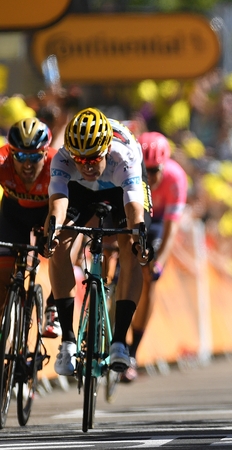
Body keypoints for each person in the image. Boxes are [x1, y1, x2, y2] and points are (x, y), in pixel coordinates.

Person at [45, 108, 152, 376]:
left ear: (106, 149)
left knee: (132, 246)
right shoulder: (62, 159)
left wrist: (138, 237)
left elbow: (134, 210)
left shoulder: (124, 156)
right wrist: (53, 232)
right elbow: (57, 206)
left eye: (93, 158)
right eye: (80, 159)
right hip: (80, 190)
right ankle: (68, 341)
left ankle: (120, 342)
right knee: (60, 243)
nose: (87, 166)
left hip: (120, 188)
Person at [121, 131, 188, 383]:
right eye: (144, 170)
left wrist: (159, 263)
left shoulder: (175, 178)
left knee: (149, 276)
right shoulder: (128, 171)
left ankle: (132, 352)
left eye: (154, 170)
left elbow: (171, 230)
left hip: (158, 223)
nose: (149, 176)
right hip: (136, 215)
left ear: (164, 165)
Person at [0, 118, 57, 313]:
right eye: (20, 156)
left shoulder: (57, 164)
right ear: (10, 153)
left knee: (61, 250)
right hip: (13, 216)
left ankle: (54, 308)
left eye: (34, 157)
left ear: (46, 153)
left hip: (47, 214)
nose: (27, 165)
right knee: (3, 278)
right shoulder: (2, 161)